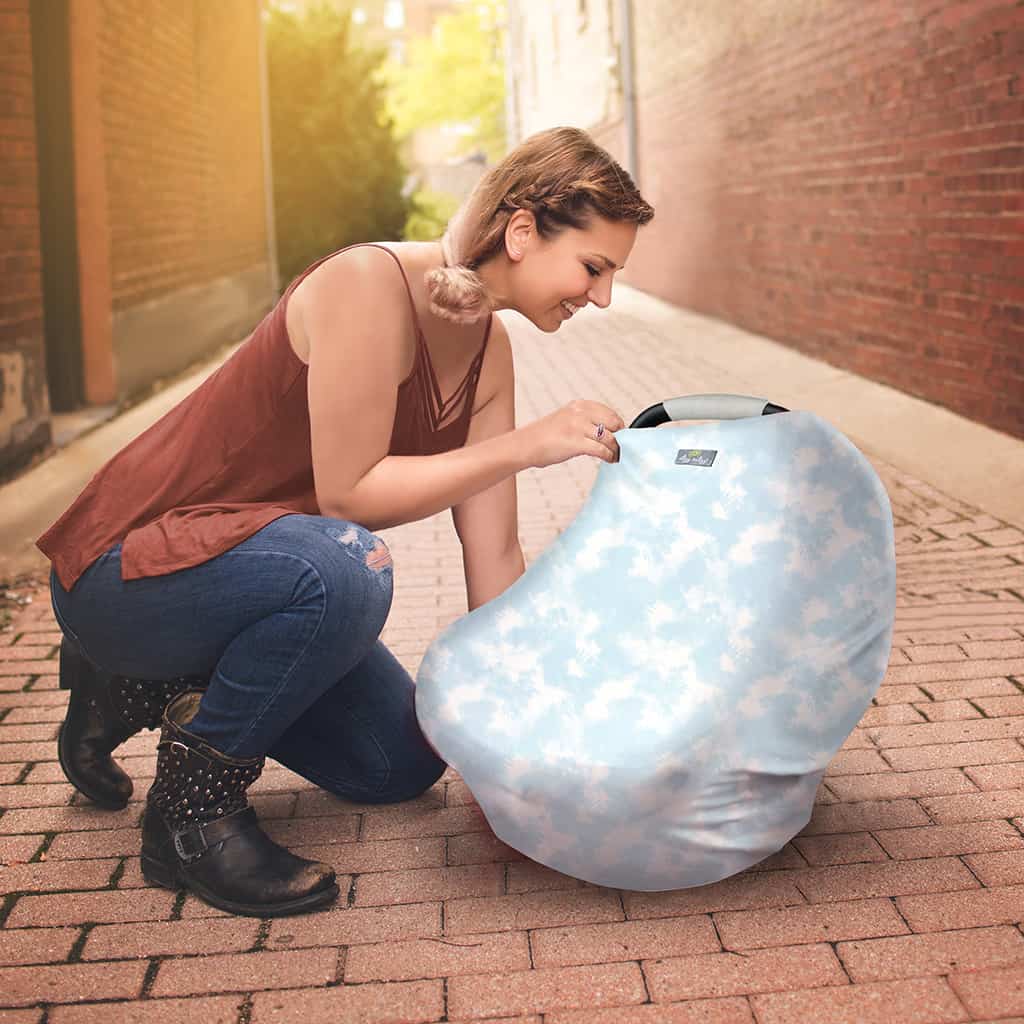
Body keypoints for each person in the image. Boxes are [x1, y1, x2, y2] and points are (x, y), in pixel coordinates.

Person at [37, 125, 655, 918]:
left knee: (397, 765)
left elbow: (494, 549)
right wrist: (526, 447)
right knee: (347, 567)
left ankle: (129, 685)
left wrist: (529, 712)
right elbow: (351, 495)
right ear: (524, 230)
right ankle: (190, 819)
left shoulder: (488, 352)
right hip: (125, 568)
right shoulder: (369, 285)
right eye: (594, 267)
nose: (599, 296)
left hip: (244, 574)